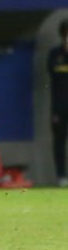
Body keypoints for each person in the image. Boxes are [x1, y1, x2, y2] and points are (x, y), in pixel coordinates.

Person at [47, 20, 68, 187]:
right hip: (59, 107)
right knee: (59, 142)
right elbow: (52, 75)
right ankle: (61, 176)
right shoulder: (55, 55)